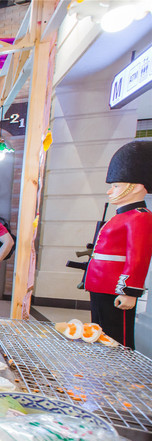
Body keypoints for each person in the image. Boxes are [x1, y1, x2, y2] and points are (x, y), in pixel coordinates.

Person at [84, 141, 152, 349]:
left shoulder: (140, 218)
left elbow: (138, 258)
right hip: (101, 284)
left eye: (116, 186)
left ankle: (119, 376)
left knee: (117, 337)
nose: (110, 191)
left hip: (115, 287)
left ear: (138, 186)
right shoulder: (122, 216)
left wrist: (129, 291)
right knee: (100, 332)